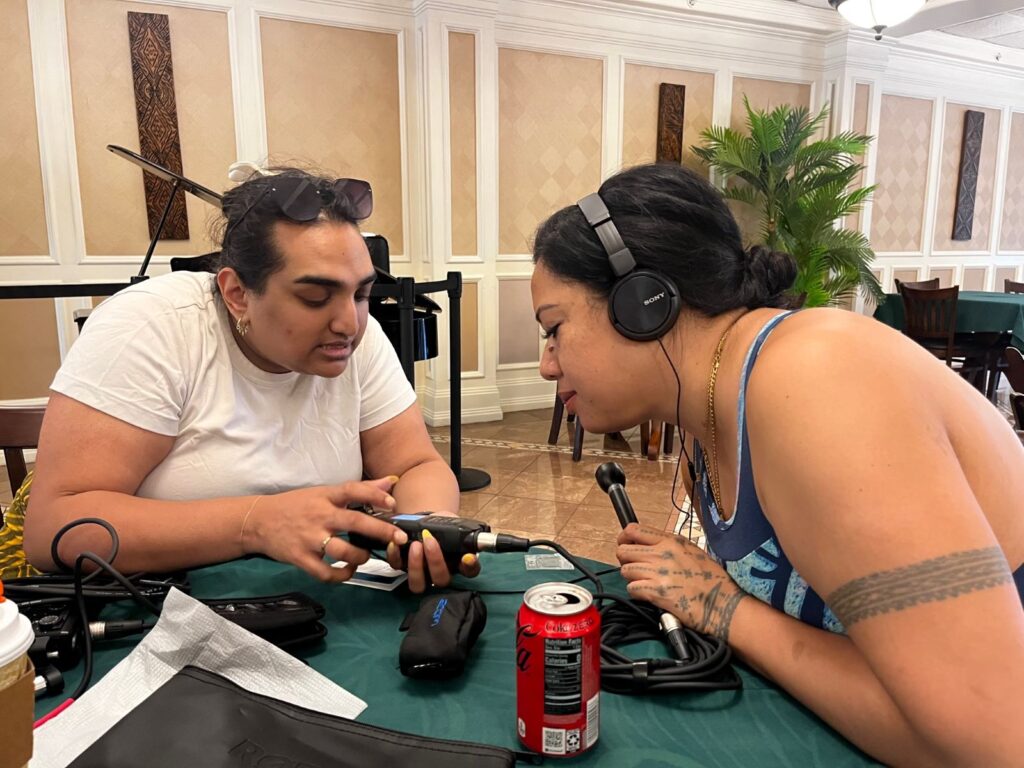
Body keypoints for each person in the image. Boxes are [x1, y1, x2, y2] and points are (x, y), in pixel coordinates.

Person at [531, 163, 1024, 766]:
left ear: (642, 303)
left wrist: (722, 608)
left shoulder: (815, 381)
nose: (547, 365)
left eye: (554, 329)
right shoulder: (708, 419)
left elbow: (992, 741)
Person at [23, 167, 477, 593]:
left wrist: (426, 525)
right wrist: (255, 523)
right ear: (237, 294)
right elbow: (53, 528)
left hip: (307, 604)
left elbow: (417, 465)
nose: (349, 323)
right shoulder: (150, 327)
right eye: (316, 296)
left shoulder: (361, 337)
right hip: (150, 605)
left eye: (361, 293)